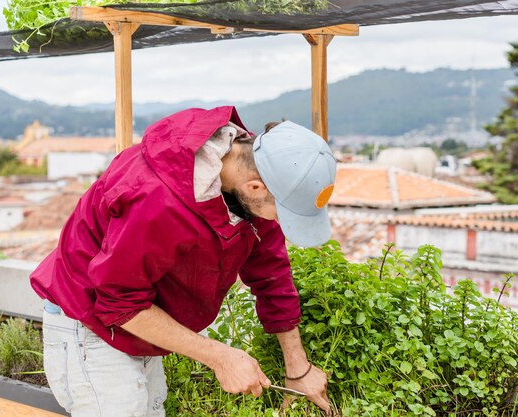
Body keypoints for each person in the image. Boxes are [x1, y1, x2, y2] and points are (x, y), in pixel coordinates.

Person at [30, 106, 337, 417]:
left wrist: (297, 368)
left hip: (142, 320)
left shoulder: (259, 175)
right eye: (283, 214)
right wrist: (221, 358)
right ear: (254, 187)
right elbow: (119, 304)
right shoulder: (156, 198)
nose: (280, 223)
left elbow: (270, 271)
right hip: (91, 322)